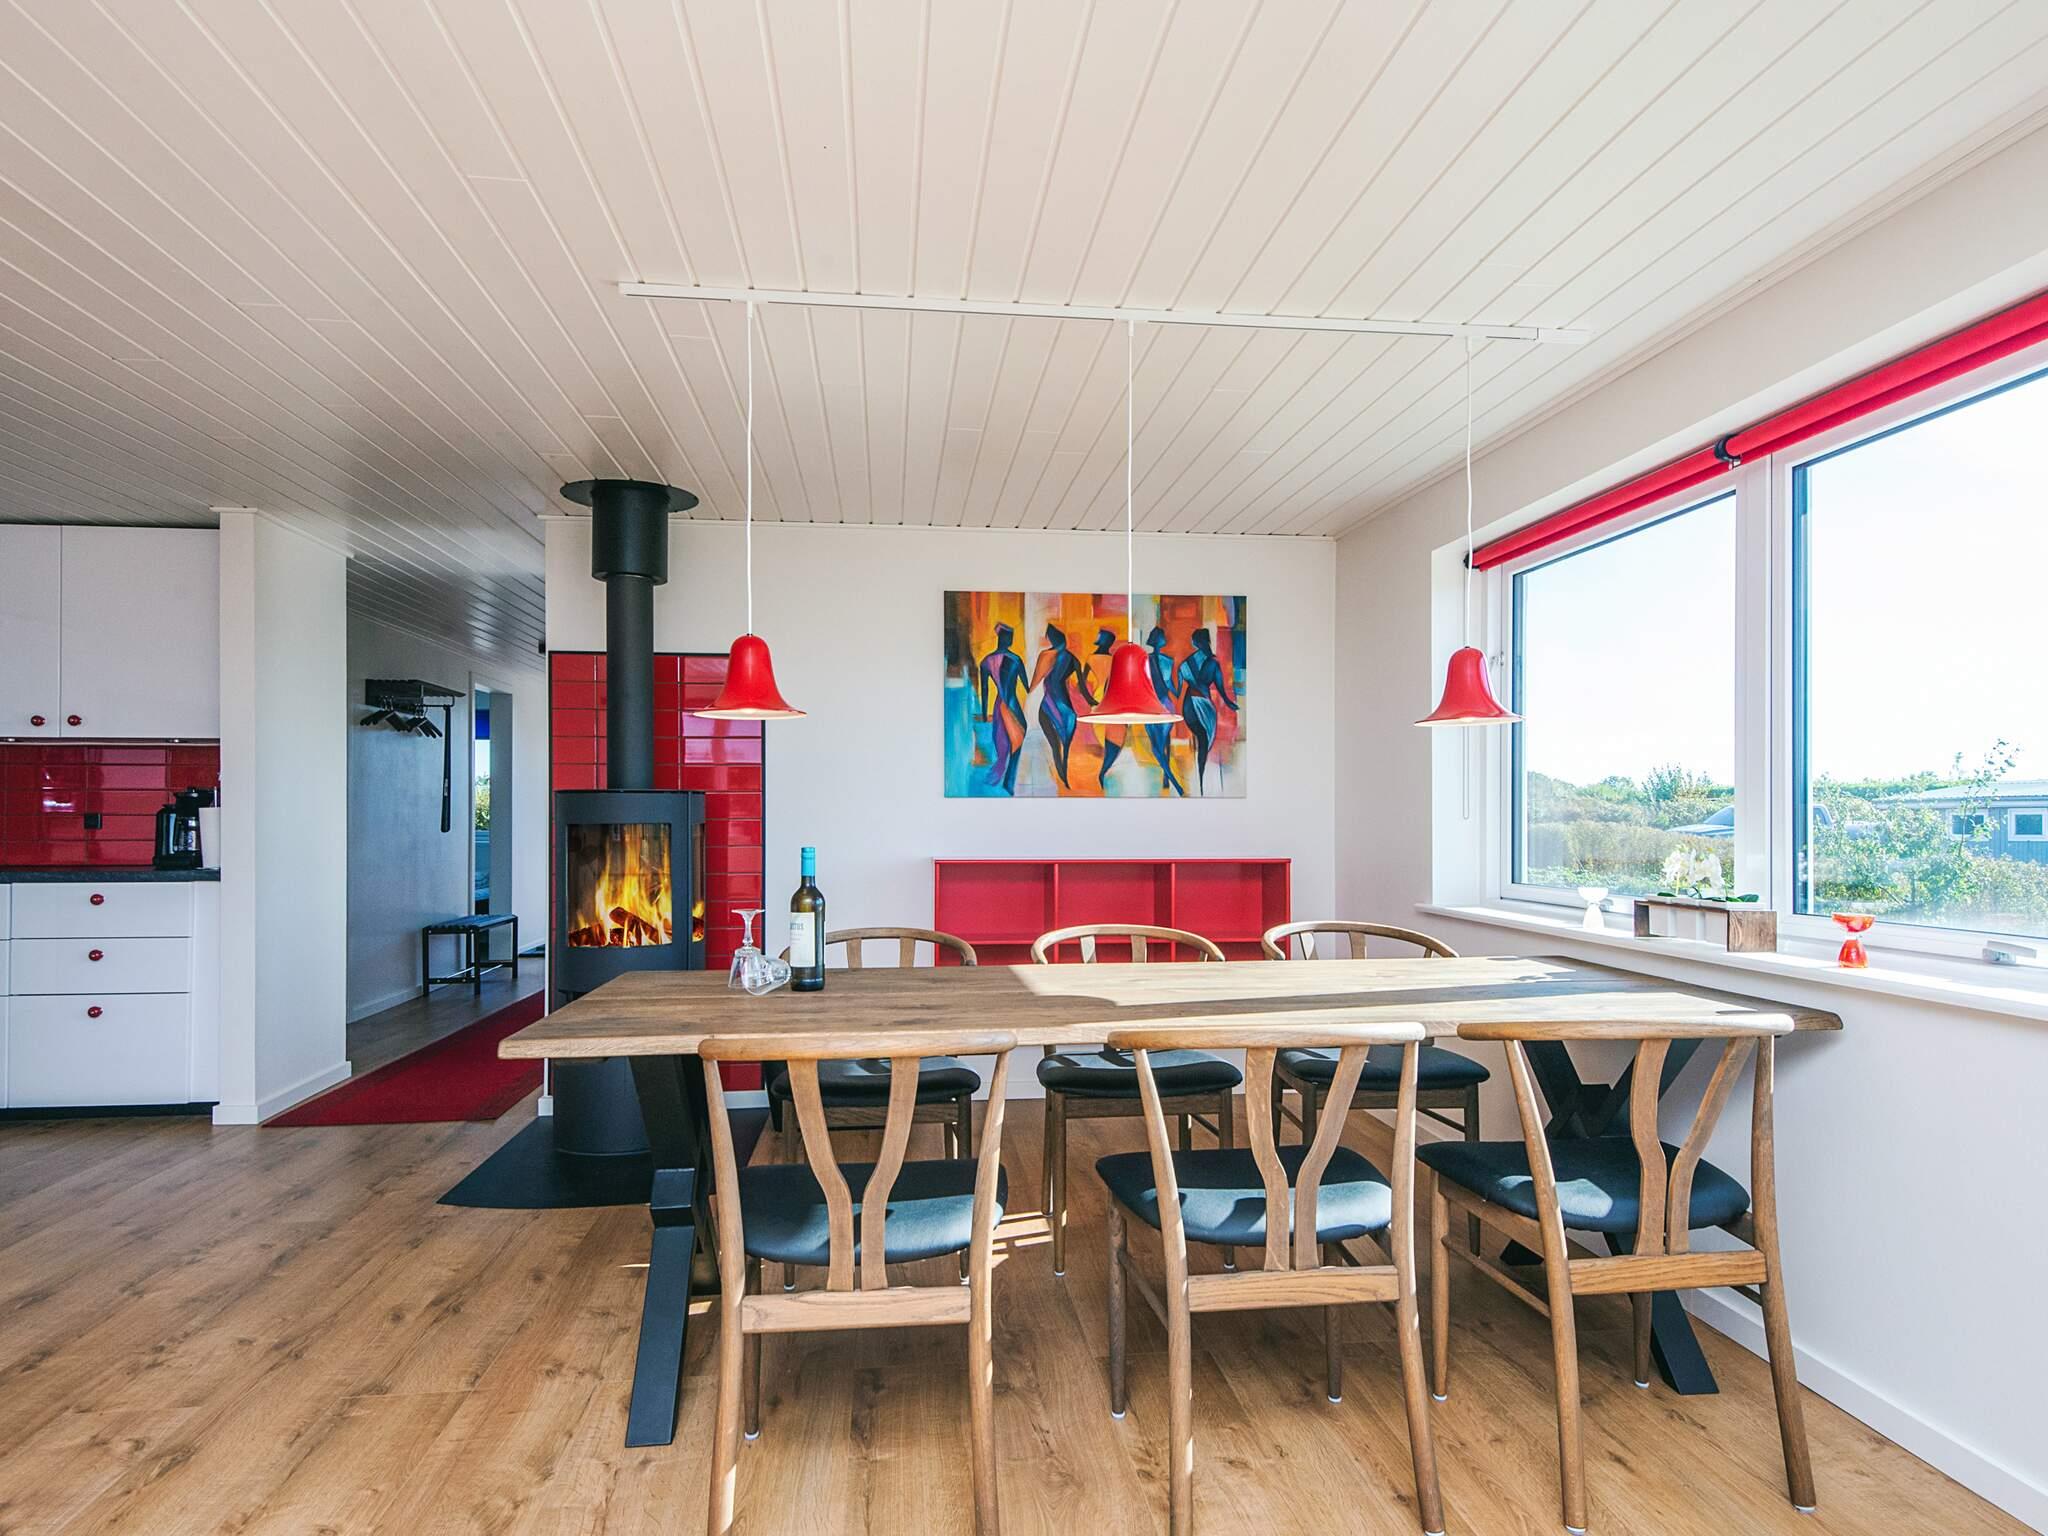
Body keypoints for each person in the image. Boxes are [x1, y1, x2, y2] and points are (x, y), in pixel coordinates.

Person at [1028, 622, 1094, 791]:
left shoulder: (1047, 655)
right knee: (1065, 749)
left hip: (1048, 706)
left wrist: (1026, 691)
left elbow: (1034, 682)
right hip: (1067, 711)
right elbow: (1083, 689)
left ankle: (1063, 778)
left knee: (1055, 747)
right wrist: (1094, 702)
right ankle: (1064, 777)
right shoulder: (1073, 659)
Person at [1174, 626, 1238, 795]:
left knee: (1202, 739)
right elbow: (1220, 688)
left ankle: (1201, 779)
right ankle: (1201, 779)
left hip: (1190, 705)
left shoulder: (1190, 662)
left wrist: (1228, 702)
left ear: (1197, 642)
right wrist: (1228, 702)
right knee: (1203, 740)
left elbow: (1179, 686)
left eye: (1196, 641)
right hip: (1199, 705)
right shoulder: (1212, 662)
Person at [974, 622, 1028, 795]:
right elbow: (1027, 686)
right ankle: (1009, 781)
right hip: (1011, 704)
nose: (1011, 640)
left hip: (999, 705)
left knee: (1005, 739)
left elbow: (985, 691)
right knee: (1018, 737)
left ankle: (1007, 779)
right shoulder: (1016, 660)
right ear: (1006, 639)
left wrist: (984, 714)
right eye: (1010, 637)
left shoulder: (986, 661)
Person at [1145, 625, 1187, 797]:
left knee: (1156, 748)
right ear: (1161, 641)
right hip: (1165, 705)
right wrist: (1180, 685)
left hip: (1152, 706)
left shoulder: (1145, 660)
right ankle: (1167, 778)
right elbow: (1172, 688)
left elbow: (1145, 685)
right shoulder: (1168, 661)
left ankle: (1174, 782)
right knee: (1162, 744)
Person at [1085, 628, 1126, 789]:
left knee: (1110, 731)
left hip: (1097, 698)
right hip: (1110, 696)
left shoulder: (1091, 658)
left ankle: (1104, 770)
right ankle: (1103, 770)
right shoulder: (1113, 660)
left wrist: (1090, 700)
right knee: (1117, 731)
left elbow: (1082, 683)